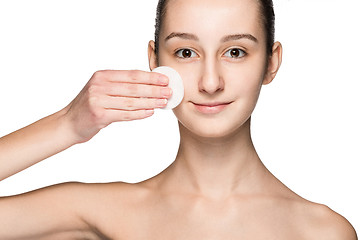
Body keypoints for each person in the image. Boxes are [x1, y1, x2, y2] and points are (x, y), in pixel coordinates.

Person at [0, 0, 357, 239]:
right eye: (186, 52)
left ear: (271, 62)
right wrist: (67, 124)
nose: (211, 82)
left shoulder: (323, 231)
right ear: (155, 60)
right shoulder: (101, 212)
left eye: (236, 52)